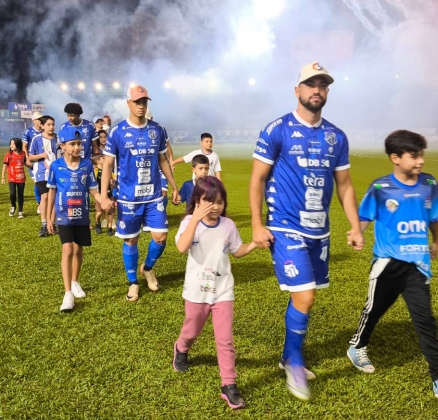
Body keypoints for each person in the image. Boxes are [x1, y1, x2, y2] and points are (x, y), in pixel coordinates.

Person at [249, 62, 365, 401]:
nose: (317, 89)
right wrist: (257, 223)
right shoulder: (277, 130)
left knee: (305, 295)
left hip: (320, 230)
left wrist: (355, 225)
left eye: (323, 85)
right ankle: (294, 362)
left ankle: (289, 354)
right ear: (297, 90)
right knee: (306, 294)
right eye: (310, 84)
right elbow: (257, 179)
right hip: (285, 226)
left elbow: (343, 185)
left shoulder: (336, 136)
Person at [346, 130, 438, 401]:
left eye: (422, 155)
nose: (420, 161)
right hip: (388, 263)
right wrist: (357, 233)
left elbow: (433, 214)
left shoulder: (429, 183)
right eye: (413, 156)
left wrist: (436, 240)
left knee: (425, 319)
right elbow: (365, 216)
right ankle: (357, 346)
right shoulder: (381, 188)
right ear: (395, 158)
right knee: (374, 310)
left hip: (418, 264)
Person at [172, 176, 259, 410]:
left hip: (222, 291)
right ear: (197, 202)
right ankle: (181, 347)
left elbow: (237, 251)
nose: (215, 207)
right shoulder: (190, 222)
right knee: (192, 330)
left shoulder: (228, 225)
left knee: (225, 339)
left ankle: (229, 384)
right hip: (196, 292)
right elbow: (181, 248)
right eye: (208, 202)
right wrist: (194, 220)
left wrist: (253, 244)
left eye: (219, 202)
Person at [100, 85, 180, 302]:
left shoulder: (157, 130)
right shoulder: (117, 132)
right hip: (128, 198)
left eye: (144, 102)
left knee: (161, 237)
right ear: (128, 103)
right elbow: (107, 165)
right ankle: (133, 282)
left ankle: (148, 267)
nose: (141, 106)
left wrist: (173, 186)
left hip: (154, 196)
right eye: (137, 102)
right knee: (131, 241)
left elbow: (163, 160)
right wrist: (104, 195)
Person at [47, 128, 101, 312]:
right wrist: (48, 218)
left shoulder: (87, 165)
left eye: (79, 143)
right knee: (68, 249)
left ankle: (75, 281)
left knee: (78, 249)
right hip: (63, 215)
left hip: (82, 215)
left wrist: (103, 200)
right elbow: (52, 192)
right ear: (63, 146)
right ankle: (68, 293)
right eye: (72, 144)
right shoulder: (56, 166)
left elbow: (93, 189)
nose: (77, 147)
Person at [28, 115, 58, 237]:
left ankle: (53, 223)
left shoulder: (58, 139)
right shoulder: (37, 139)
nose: (51, 127)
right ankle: (44, 224)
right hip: (41, 173)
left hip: (56, 173)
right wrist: (42, 155)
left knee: (55, 198)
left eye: (53, 124)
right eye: (48, 124)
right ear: (43, 126)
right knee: (45, 197)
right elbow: (30, 157)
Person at [2, 137, 30, 218]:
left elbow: (26, 163)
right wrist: (3, 177)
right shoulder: (8, 155)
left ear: (18, 145)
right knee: (12, 194)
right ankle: (13, 206)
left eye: (13, 144)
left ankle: (20, 211)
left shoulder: (23, 154)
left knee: (20, 195)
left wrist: (33, 167)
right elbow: (4, 166)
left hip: (21, 178)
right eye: (10, 144)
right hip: (12, 178)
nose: (11, 145)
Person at [24, 112, 44, 213]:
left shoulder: (45, 130)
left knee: (46, 181)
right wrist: (27, 160)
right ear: (34, 120)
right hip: (34, 161)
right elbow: (24, 146)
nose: (41, 120)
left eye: (42, 118)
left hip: (44, 160)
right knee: (37, 182)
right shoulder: (29, 132)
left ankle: (46, 202)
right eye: (39, 119)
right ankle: (39, 203)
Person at [93, 154, 116, 235]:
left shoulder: (108, 171)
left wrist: (113, 181)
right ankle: (97, 223)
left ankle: (110, 228)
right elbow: (93, 181)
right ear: (98, 161)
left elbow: (115, 178)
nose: (105, 159)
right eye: (102, 158)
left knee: (111, 211)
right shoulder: (95, 171)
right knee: (99, 212)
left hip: (109, 194)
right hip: (99, 195)